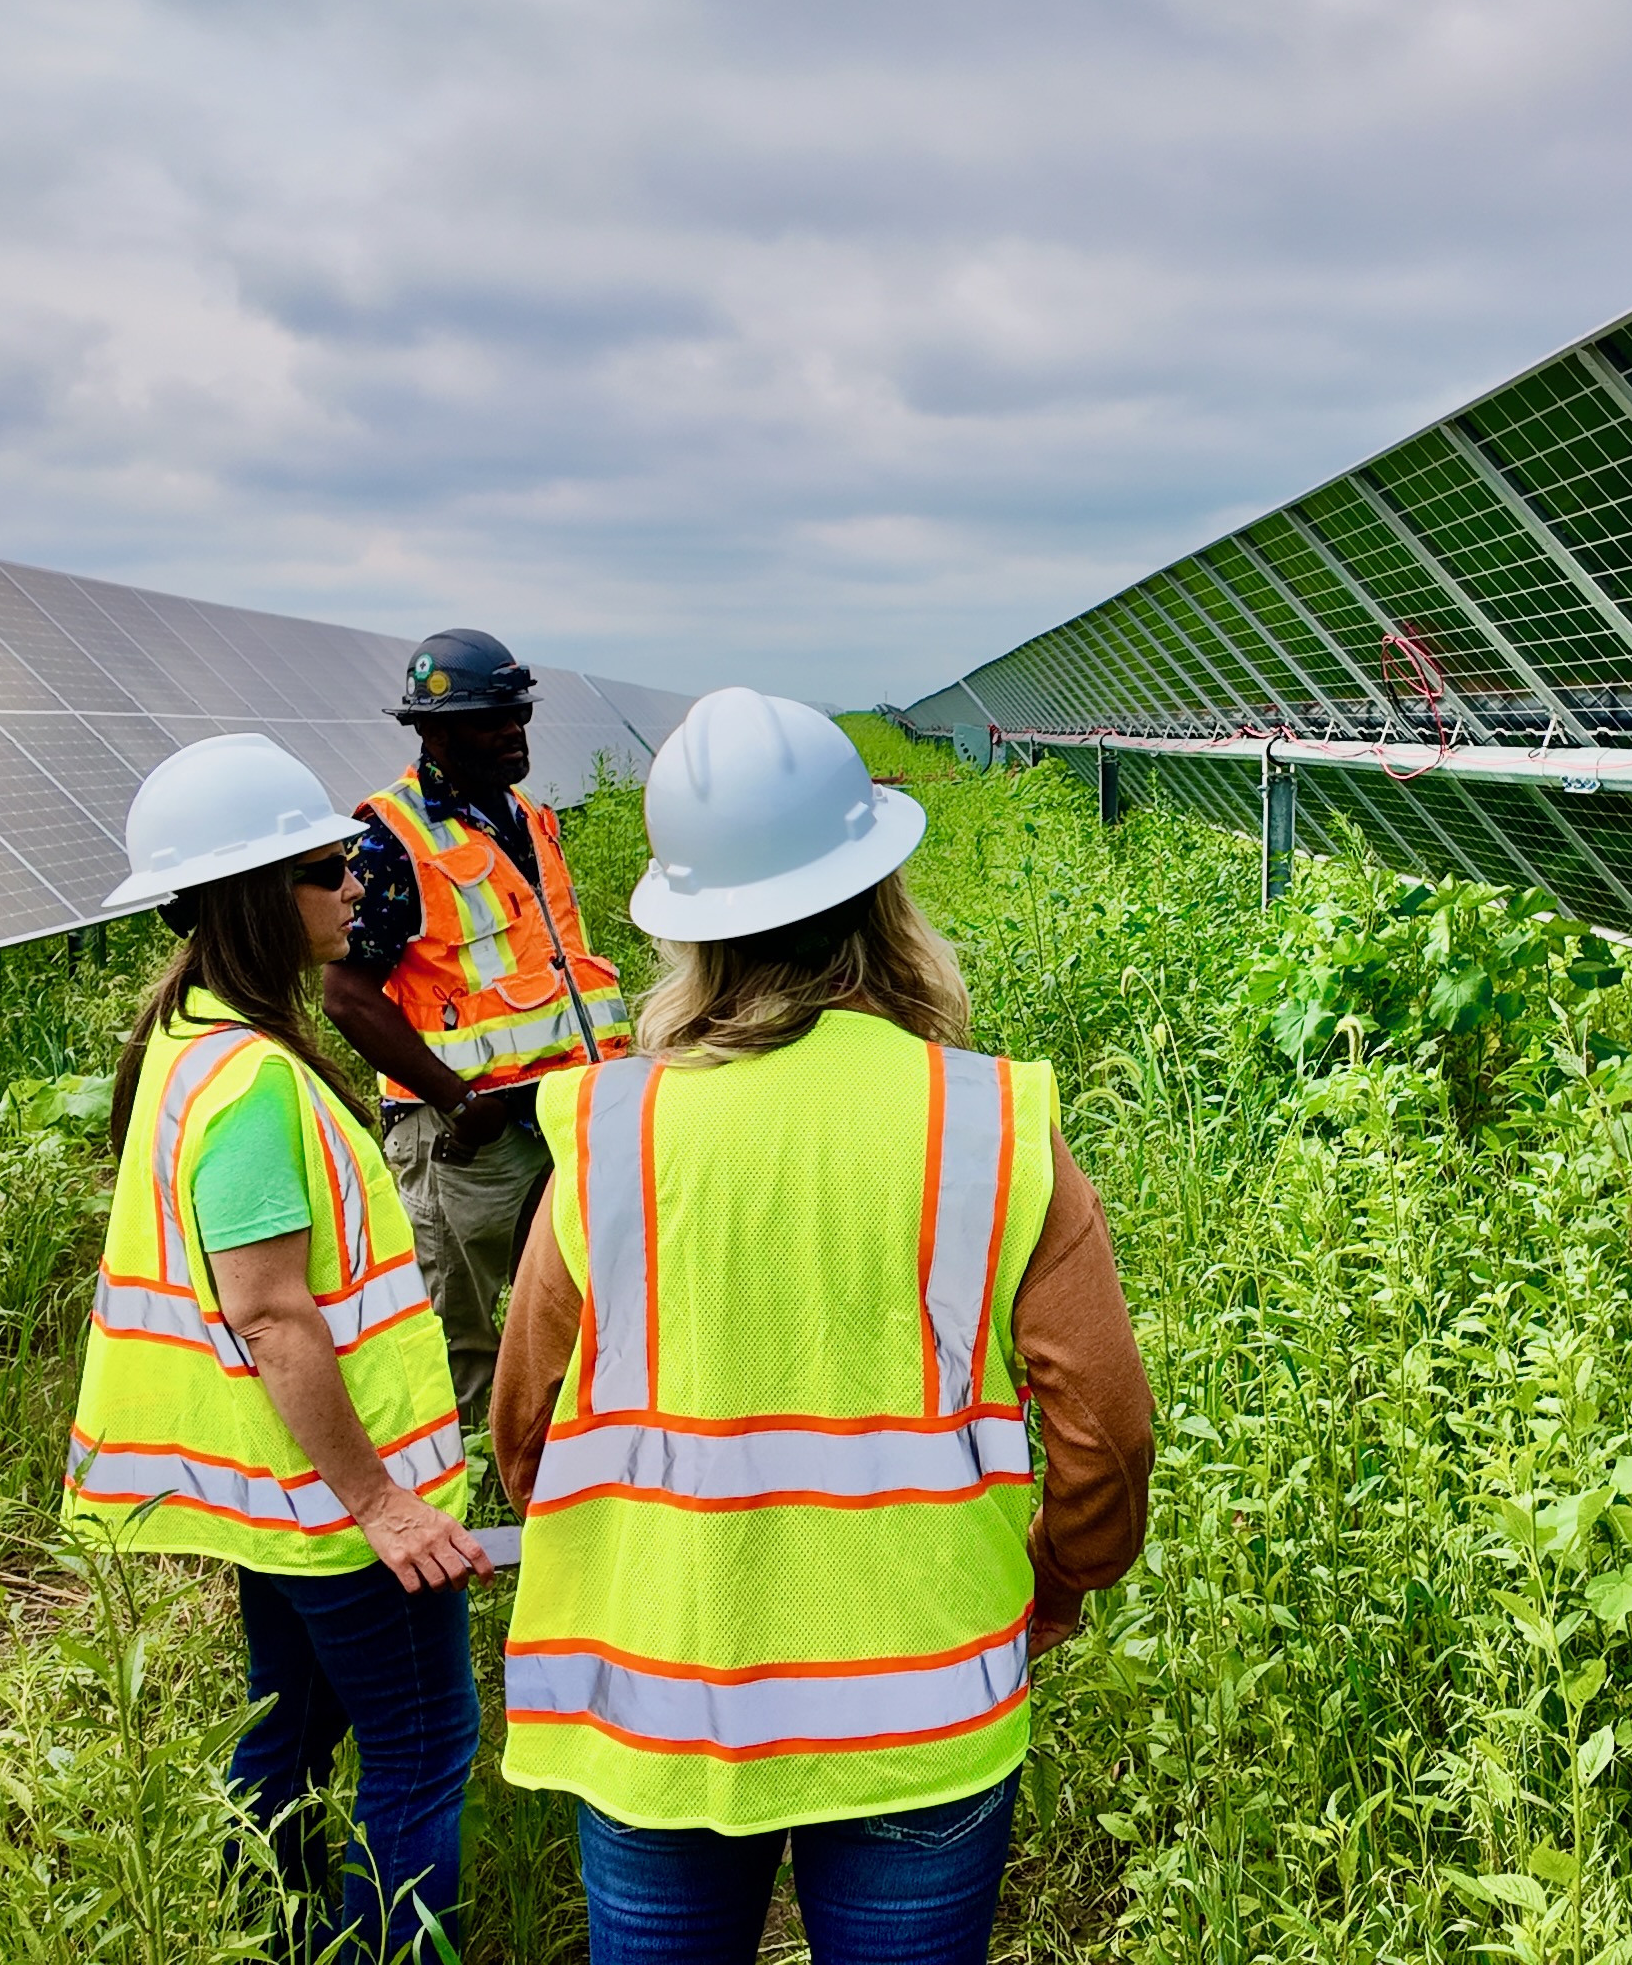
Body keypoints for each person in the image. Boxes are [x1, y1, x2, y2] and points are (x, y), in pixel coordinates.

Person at [488, 689, 1157, 1965]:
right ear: (882, 893)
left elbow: (530, 1433)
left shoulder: (606, 1133)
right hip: (921, 1699)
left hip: (655, 1695)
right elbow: (1105, 1437)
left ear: (690, 933)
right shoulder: (993, 1127)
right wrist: (1059, 1578)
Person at [64, 731, 497, 1962]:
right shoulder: (251, 1079)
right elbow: (267, 1309)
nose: (359, 879)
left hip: (281, 1494)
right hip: (339, 1508)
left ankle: (277, 1935)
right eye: (330, 865)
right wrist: (384, 1505)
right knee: (419, 1759)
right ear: (263, 896)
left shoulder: (191, 1041)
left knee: (292, 1732)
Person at [324, 627, 632, 1441]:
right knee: (454, 1324)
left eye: (519, 713)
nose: (514, 731)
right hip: (463, 1133)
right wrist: (460, 1103)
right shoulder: (394, 838)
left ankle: (547, 1452)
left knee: (568, 1294)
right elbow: (346, 995)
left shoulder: (528, 818)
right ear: (435, 731)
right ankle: (457, 1478)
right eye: (492, 718)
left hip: (556, 1116)